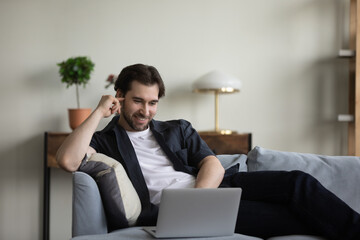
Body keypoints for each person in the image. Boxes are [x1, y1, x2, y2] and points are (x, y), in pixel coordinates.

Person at [56, 63, 360, 240]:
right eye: (137, 101)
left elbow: (211, 163)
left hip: (213, 191)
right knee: (287, 218)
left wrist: (200, 197)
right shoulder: (107, 140)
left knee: (297, 182)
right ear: (120, 97)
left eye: (152, 102)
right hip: (174, 214)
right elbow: (67, 160)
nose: (145, 111)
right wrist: (98, 111)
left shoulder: (176, 129)